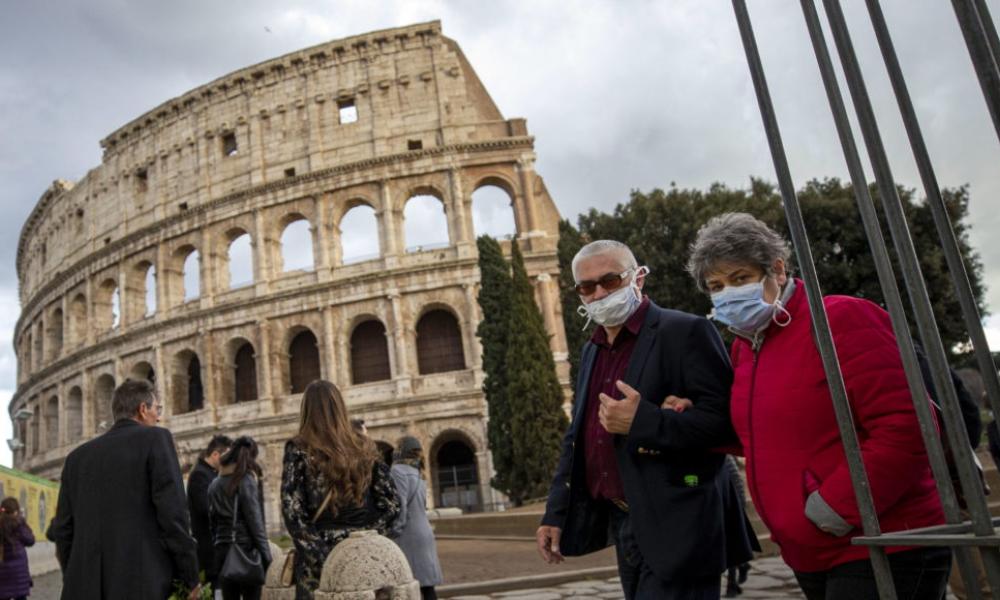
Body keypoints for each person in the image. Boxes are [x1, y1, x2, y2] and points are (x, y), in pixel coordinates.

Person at [683, 212, 948, 600]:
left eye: (739, 278)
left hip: (883, 541)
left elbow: (908, 426)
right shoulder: (746, 347)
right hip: (809, 552)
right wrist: (687, 417)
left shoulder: (840, 319)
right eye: (716, 286)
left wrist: (835, 508)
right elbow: (764, 433)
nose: (727, 293)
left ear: (777, 268)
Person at [537, 240, 756, 600]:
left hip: (682, 521)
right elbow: (578, 437)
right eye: (587, 287)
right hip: (625, 520)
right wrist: (555, 513)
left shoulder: (685, 332)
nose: (599, 293)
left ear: (637, 278)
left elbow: (728, 425)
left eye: (611, 281)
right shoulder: (592, 350)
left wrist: (646, 421)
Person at [47, 379, 201, 600]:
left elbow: (63, 530)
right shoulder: (156, 438)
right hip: (139, 583)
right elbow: (173, 515)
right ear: (142, 409)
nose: (158, 417)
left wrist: (75, 576)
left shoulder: (76, 458)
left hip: (82, 587)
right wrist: (190, 575)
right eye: (157, 409)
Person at [281, 380, 400, 599]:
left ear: (306, 410)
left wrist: (323, 557)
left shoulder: (299, 449)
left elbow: (292, 512)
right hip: (365, 560)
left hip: (317, 565)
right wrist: (367, 542)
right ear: (340, 406)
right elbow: (392, 507)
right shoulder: (364, 446)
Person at [209, 436, 271, 600]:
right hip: (245, 551)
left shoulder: (215, 484)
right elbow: (255, 522)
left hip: (223, 551)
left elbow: (212, 523)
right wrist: (267, 556)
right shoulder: (245, 480)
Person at [388, 436, 443, 600]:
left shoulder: (398, 471)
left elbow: (401, 506)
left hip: (408, 535)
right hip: (423, 531)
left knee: (407, 586)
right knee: (427, 587)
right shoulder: (419, 472)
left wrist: (392, 532)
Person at [189, 434, 233, 589]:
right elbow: (205, 508)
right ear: (215, 455)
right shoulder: (200, 475)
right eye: (227, 456)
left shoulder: (211, 474)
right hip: (210, 550)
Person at [0, 497, 34, 600]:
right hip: (19, 576)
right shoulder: (19, 524)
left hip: (2, 574)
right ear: (16, 511)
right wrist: (23, 522)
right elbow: (30, 540)